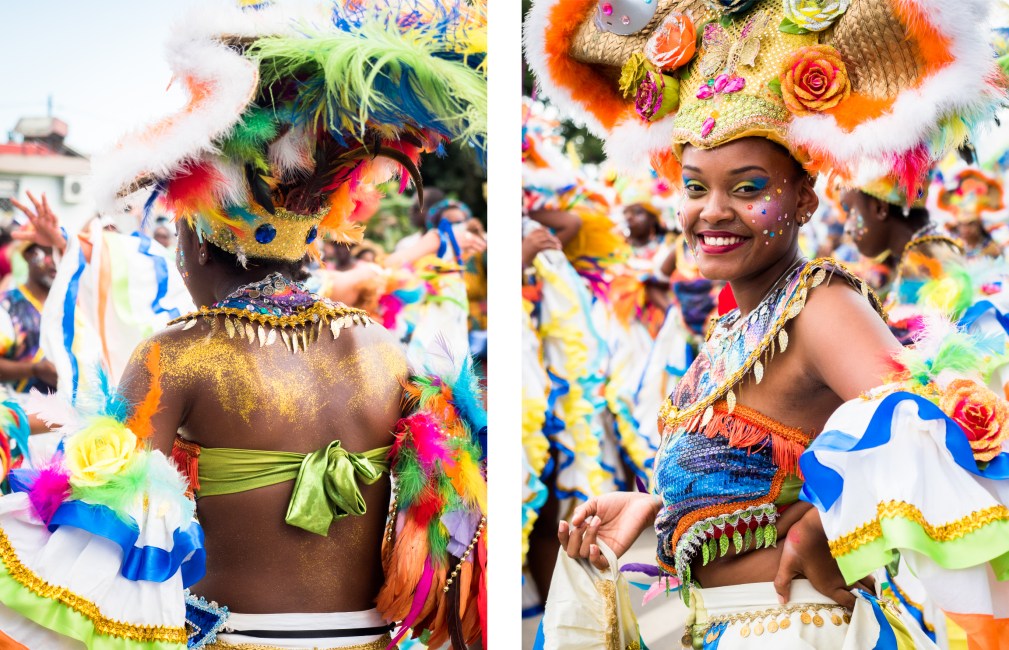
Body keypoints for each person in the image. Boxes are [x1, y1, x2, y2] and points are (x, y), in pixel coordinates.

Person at [0, 2, 487, 649]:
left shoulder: (178, 354)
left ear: (198, 246)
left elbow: (100, 519)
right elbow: (448, 511)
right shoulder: (381, 344)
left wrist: (16, 428)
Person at [527, 0, 1007, 646]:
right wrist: (653, 517)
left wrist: (826, 523)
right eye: (695, 187)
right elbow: (746, 496)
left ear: (806, 198)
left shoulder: (820, 306)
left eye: (748, 188)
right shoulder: (733, 325)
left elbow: (931, 449)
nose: (712, 211)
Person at [938, 169, 1005, 259]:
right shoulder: (951, 244)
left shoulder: (995, 239)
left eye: (971, 223)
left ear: (979, 223)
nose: (966, 229)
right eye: (962, 224)